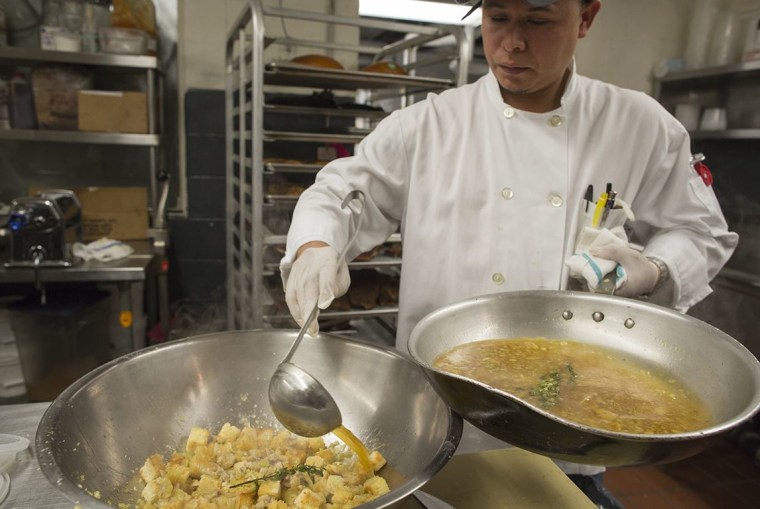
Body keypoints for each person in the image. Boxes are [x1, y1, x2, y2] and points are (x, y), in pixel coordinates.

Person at [279, 0, 739, 507]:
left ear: (585, 18)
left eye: (538, 20)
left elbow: (702, 231)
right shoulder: (429, 125)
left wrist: (654, 268)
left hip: (573, 427)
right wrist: (317, 244)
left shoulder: (638, 125)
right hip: (438, 422)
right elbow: (341, 191)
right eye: (497, 18)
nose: (512, 43)